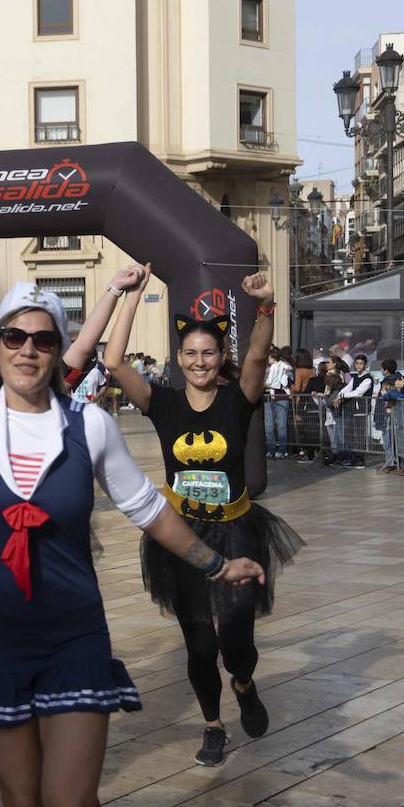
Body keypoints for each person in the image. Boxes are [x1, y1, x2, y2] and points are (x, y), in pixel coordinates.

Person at [0, 172, 264, 807]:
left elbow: (148, 507)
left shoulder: (87, 424)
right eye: (13, 336)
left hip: (74, 635)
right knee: (21, 802)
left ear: (59, 352)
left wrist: (217, 565)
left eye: (43, 339)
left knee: (69, 799)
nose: (27, 349)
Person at [103, 262, 302, 770]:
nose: (198, 362)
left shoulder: (239, 400)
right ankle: (213, 725)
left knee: (237, 635)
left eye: (208, 352)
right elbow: (113, 360)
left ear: (220, 357)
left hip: (236, 529)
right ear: (179, 358)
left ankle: (243, 681)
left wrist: (266, 305)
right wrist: (131, 295)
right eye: (190, 353)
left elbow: (258, 353)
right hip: (182, 534)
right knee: (198, 640)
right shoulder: (163, 404)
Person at [263, 346, 292, 459]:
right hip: (268, 398)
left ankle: (282, 450)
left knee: (281, 426)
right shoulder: (264, 368)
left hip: (281, 397)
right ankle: (271, 449)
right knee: (268, 426)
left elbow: (289, 380)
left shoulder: (282, 366)